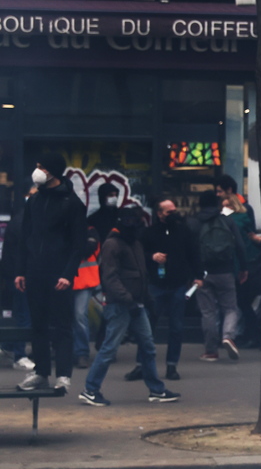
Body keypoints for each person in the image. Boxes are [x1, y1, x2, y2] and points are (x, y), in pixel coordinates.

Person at [79, 207, 180, 406]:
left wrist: (145, 300)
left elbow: (139, 274)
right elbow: (110, 278)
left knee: (148, 347)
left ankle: (156, 390)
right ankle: (90, 389)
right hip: (121, 305)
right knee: (110, 348)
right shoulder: (113, 244)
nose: (136, 225)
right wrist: (131, 300)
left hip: (134, 303)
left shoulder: (132, 242)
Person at [15, 152, 87, 391]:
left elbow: (78, 244)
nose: (36, 170)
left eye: (40, 166)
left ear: (51, 171)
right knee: (39, 325)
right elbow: (27, 237)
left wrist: (68, 274)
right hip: (35, 271)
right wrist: (21, 270)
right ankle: (41, 372)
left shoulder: (72, 203)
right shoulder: (34, 200)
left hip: (59, 274)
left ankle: (64, 375)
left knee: (62, 325)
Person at [127, 197, 200, 382]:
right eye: (169, 212)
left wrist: (198, 276)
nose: (173, 215)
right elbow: (137, 253)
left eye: (174, 210)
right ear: (159, 214)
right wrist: (152, 256)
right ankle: (141, 365)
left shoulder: (184, 231)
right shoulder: (149, 233)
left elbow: (194, 253)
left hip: (177, 284)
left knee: (176, 327)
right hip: (156, 285)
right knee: (147, 326)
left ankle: (171, 365)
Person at [191, 191, 246, 362]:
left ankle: (211, 351)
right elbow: (240, 246)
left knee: (208, 312)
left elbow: (189, 250)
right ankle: (228, 335)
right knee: (230, 308)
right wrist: (243, 268)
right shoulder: (227, 221)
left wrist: (192, 273)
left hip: (202, 273)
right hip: (225, 271)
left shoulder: (194, 223)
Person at [0, 182, 36, 372]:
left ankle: (12, 348)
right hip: (22, 276)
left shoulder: (21, 219)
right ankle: (20, 355)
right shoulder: (25, 222)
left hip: (17, 275)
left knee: (22, 313)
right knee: (25, 315)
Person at [223, 193, 261, 350]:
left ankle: (250, 334)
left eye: (227, 206)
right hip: (251, 266)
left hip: (242, 267)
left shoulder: (231, 223)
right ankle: (250, 334)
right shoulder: (244, 221)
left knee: (242, 303)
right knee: (244, 304)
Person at [71, 224, 101, 369]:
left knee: (79, 316)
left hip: (84, 281)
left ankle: (82, 353)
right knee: (66, 317)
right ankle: (68, 351)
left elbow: (87, 249)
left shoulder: (90, 230)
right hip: (65, 281)